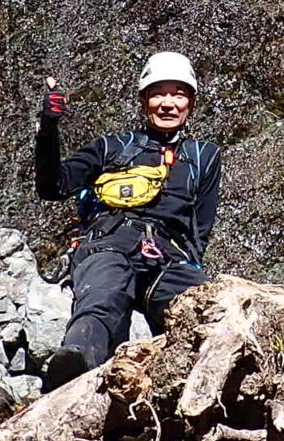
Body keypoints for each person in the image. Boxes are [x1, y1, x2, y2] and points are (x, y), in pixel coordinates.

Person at [33, 50, 222, 388]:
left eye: (178, 94)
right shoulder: (112, 147)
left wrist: (190, 267)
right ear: (143, 101)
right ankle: (75, 366)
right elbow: (53, 186)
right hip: (107, 244)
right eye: (158, 93)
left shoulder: (204, 156)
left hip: (168, 256)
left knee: (204, 310)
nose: (168, 103)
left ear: (190, 103)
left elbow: (200, 229)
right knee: (103, 297)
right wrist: (48, 129)